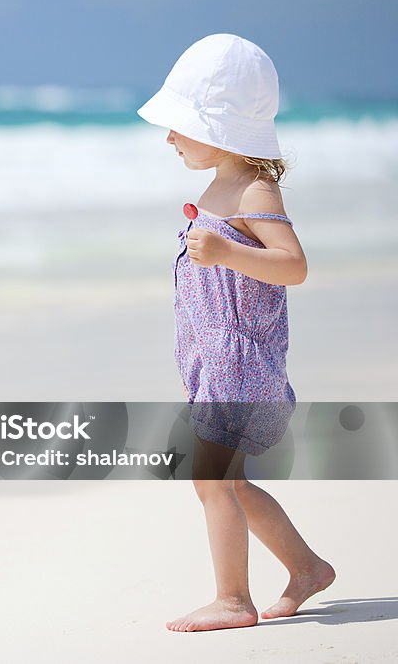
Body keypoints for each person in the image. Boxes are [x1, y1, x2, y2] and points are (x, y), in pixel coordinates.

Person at [137, 33, 335, 632]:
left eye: (179, 124)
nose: (168, 136)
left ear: (220, 126)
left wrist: (223, 249)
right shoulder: (221, 186)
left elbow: (293, 266)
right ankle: (307, 568)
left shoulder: (255, 190)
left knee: (211, 479)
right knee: (231, 482)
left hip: (240, 362)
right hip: (212, 359)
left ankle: (233, 599)